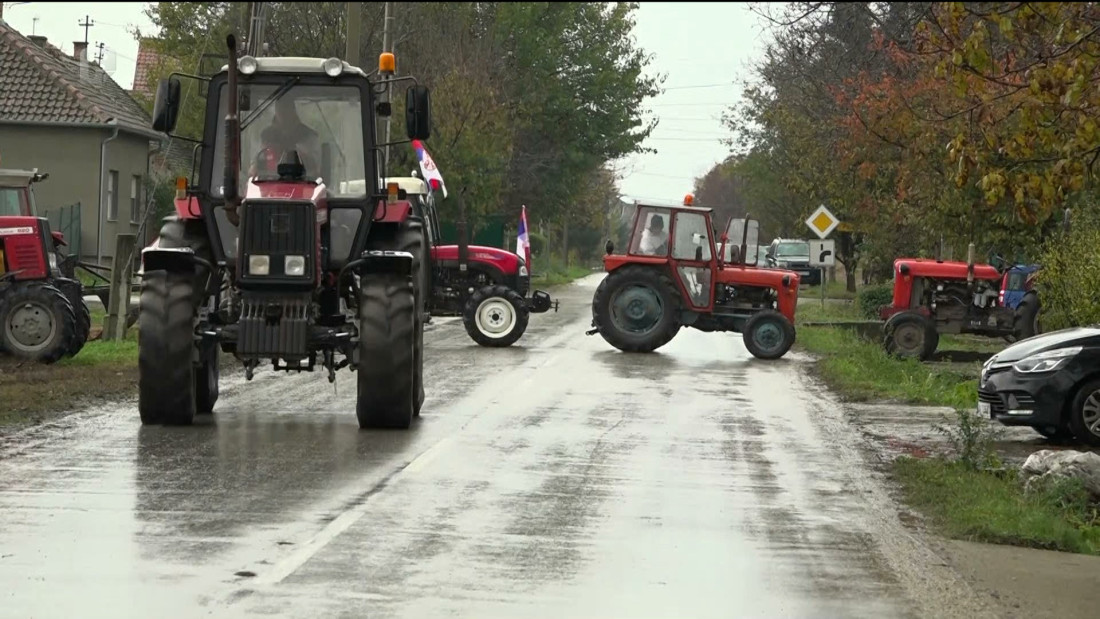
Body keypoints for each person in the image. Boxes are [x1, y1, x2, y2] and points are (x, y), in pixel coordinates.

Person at [252, 94, 322, 178]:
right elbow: (253, 169)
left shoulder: (308, 136)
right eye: (280, 109)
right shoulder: (266, 136)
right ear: (276, 110)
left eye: (286, 108)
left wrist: (298, 151)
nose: (283, 113)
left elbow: (317, 168)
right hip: (268, 183)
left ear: (293, 110)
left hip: (304, 184)